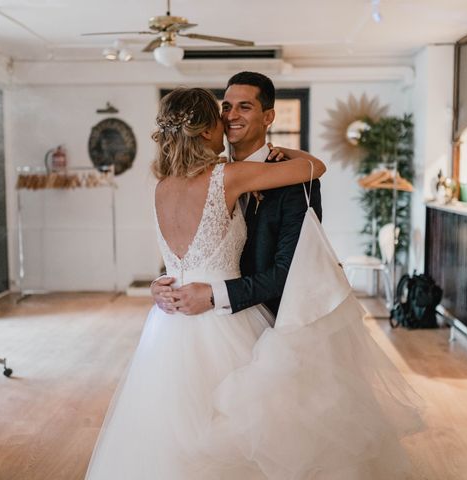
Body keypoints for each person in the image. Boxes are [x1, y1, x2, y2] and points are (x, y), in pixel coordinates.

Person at [86, 87, 328, 479]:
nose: (227, 123)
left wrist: (156, 286)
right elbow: (314, 168)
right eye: (220, 118)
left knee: (171, 430)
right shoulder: (226, 175)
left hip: (168, 323)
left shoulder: (162, 187)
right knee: (240, 430)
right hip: (222, 319)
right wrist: (292, 153)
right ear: (204, 132)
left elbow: (177, 261)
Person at [151, 71, 322, 322]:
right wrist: (163, 286)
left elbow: (291, 271)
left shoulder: (296, 183)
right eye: (226, 107)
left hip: (277, 323)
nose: (231, 116)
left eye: (244, 107)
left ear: (268, 117)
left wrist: (213, 295)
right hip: (213, 322)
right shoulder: (213, 176)